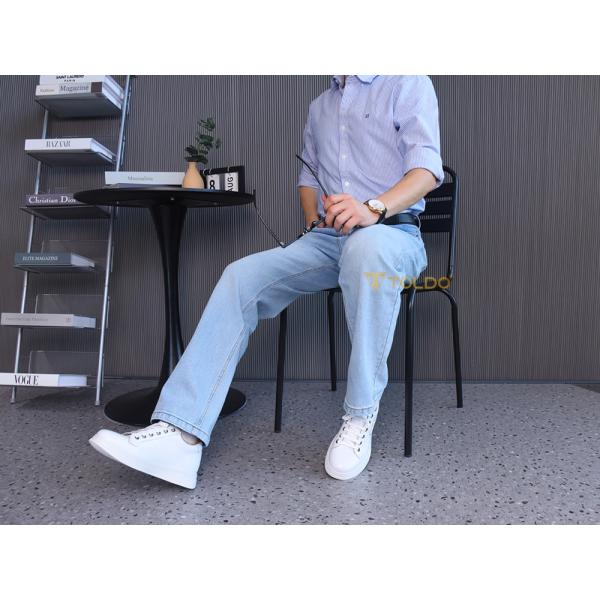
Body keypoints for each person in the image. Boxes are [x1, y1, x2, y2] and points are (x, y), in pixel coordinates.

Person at [89, 75, 444, 489]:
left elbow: (427, 170)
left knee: (367, 251)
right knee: (241, 277)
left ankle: (360, 416)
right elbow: (309, 178)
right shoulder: (320, 107)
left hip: (393, 236)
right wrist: (312, 219)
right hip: (330, 241)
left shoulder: (406, 81)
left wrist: (373, 208)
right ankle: (181, 434)